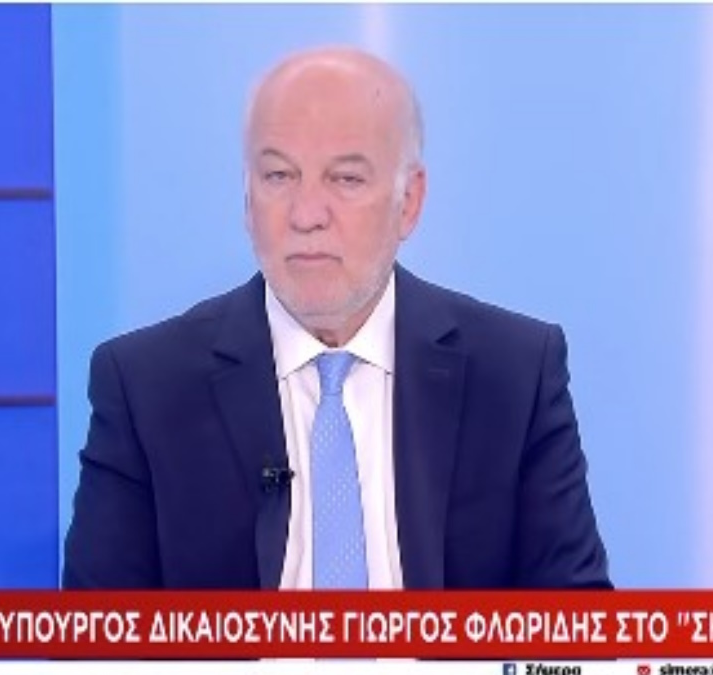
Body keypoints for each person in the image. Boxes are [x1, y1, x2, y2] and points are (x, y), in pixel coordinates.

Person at [63, 46, 611, 590]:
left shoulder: (514, 375)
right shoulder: (147, 387)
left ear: (409, 201)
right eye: (279, 175)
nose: (306, 215)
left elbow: (575, 623)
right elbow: (98, 631)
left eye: (345, 179)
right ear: (248, 198)